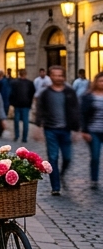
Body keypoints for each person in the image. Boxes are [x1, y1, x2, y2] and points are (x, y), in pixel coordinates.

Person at [35, 65, 79, 196]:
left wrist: (76, 129)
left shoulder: (69, 92)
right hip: (50, 130)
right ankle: (55, 187)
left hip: (66, 129)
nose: (58, 78)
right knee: (53, 157)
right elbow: (40, 110)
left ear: (63, 77)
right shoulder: (45, 93)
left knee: (67, 157)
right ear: (51, 76)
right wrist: (38, 126)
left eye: (60, 75)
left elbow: (75, 110)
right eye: (55, 75)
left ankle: (62, 173)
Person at [80, 72, 103, 190]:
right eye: (101, 81)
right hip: (94, 131)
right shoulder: (88, 96)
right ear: (96, 82)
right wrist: (84, 131)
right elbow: (83, 114)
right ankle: (94, 179)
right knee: (95, 156)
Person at [10, 68, 35, 145]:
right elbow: (32, 93)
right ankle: (24, 137)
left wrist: (12, 102)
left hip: (17, 104)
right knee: (25, 121)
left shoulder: (14, 83)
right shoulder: (29, 83)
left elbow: (11, 93)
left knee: (16, 121)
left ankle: (17, 136)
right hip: (25, 104)